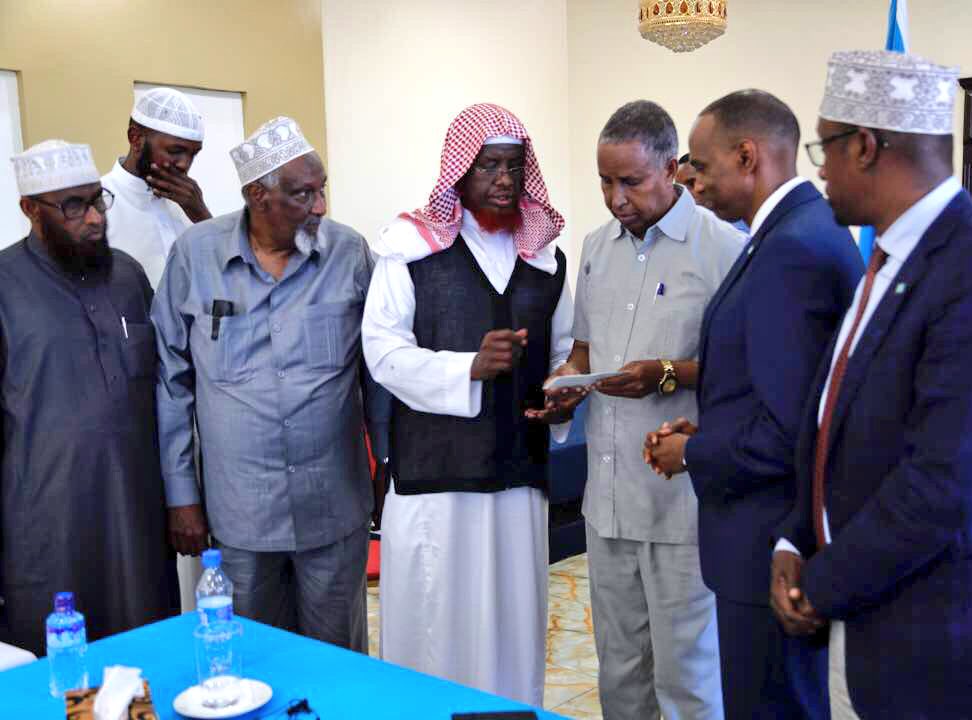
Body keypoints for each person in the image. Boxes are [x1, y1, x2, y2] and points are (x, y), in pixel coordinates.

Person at [770, 50, 972, 718]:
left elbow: (947, 482)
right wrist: (796, 538)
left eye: (825, 148)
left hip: (942, 636)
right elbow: (837, 426)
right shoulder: (886, 258)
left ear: (865, 146)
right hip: (864, 616)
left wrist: (821, 583)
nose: (820, 170)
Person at [645, 90, 863, 719]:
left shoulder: (790, 249)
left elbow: (790, 428)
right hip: (768, 528)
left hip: (767, 535)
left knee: (769, 706)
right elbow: (774, 386)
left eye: (701, 166)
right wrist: (708, 428)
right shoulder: (792, 231)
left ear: (746, 156)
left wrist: (693, 452)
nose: (692, 183)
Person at [362, 103, 572, 706]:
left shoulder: (546, 259)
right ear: (460, 170)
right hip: (436, 483)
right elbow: (381, 351)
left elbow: (564, 354)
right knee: (435, 634)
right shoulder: (410, 248)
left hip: (517, 482)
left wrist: (563, 394)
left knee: (511, 634)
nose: (504, 179)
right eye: (488, 166)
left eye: (514, 166)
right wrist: (467, 368)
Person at [153, 117, 380, 651]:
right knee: (251, 659)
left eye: (322, 189)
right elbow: (171, 382)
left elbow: (378, 370)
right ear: (258, 196)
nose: (320, 206)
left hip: (333, 505)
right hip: (241, 513)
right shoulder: (195, 255)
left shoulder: (349, 253)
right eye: (303, 194)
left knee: (337, 661)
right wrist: (182, 495)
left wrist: (387, 463)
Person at [546, 100, 740, 719]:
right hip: (606, 499)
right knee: (621, 671)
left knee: (687, 677)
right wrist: (568, 382)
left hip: (681, 502)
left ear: (671, 168)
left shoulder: (724, 249)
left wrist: (666, 374)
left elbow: (751, 373)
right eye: (604, 181)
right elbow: (584, 349)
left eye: (630, 181)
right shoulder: (595, 248)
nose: (616, 198)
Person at [0, 140, 178, 655]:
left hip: (138, 514)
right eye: (74, 206)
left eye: (98, 199)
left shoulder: (128, 276)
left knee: (146, 652)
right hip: (45, 521)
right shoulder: (5, 285)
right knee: (62, 666)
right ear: (30, 210)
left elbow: (165, 388)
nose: (96, 218)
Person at [102, 87, 211, 288]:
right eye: (175, 151)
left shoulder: (189, 202)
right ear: (136, 139)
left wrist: (202, 216)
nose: (184, 164)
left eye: (193, 154)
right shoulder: (98, 203)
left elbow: (224, 270)